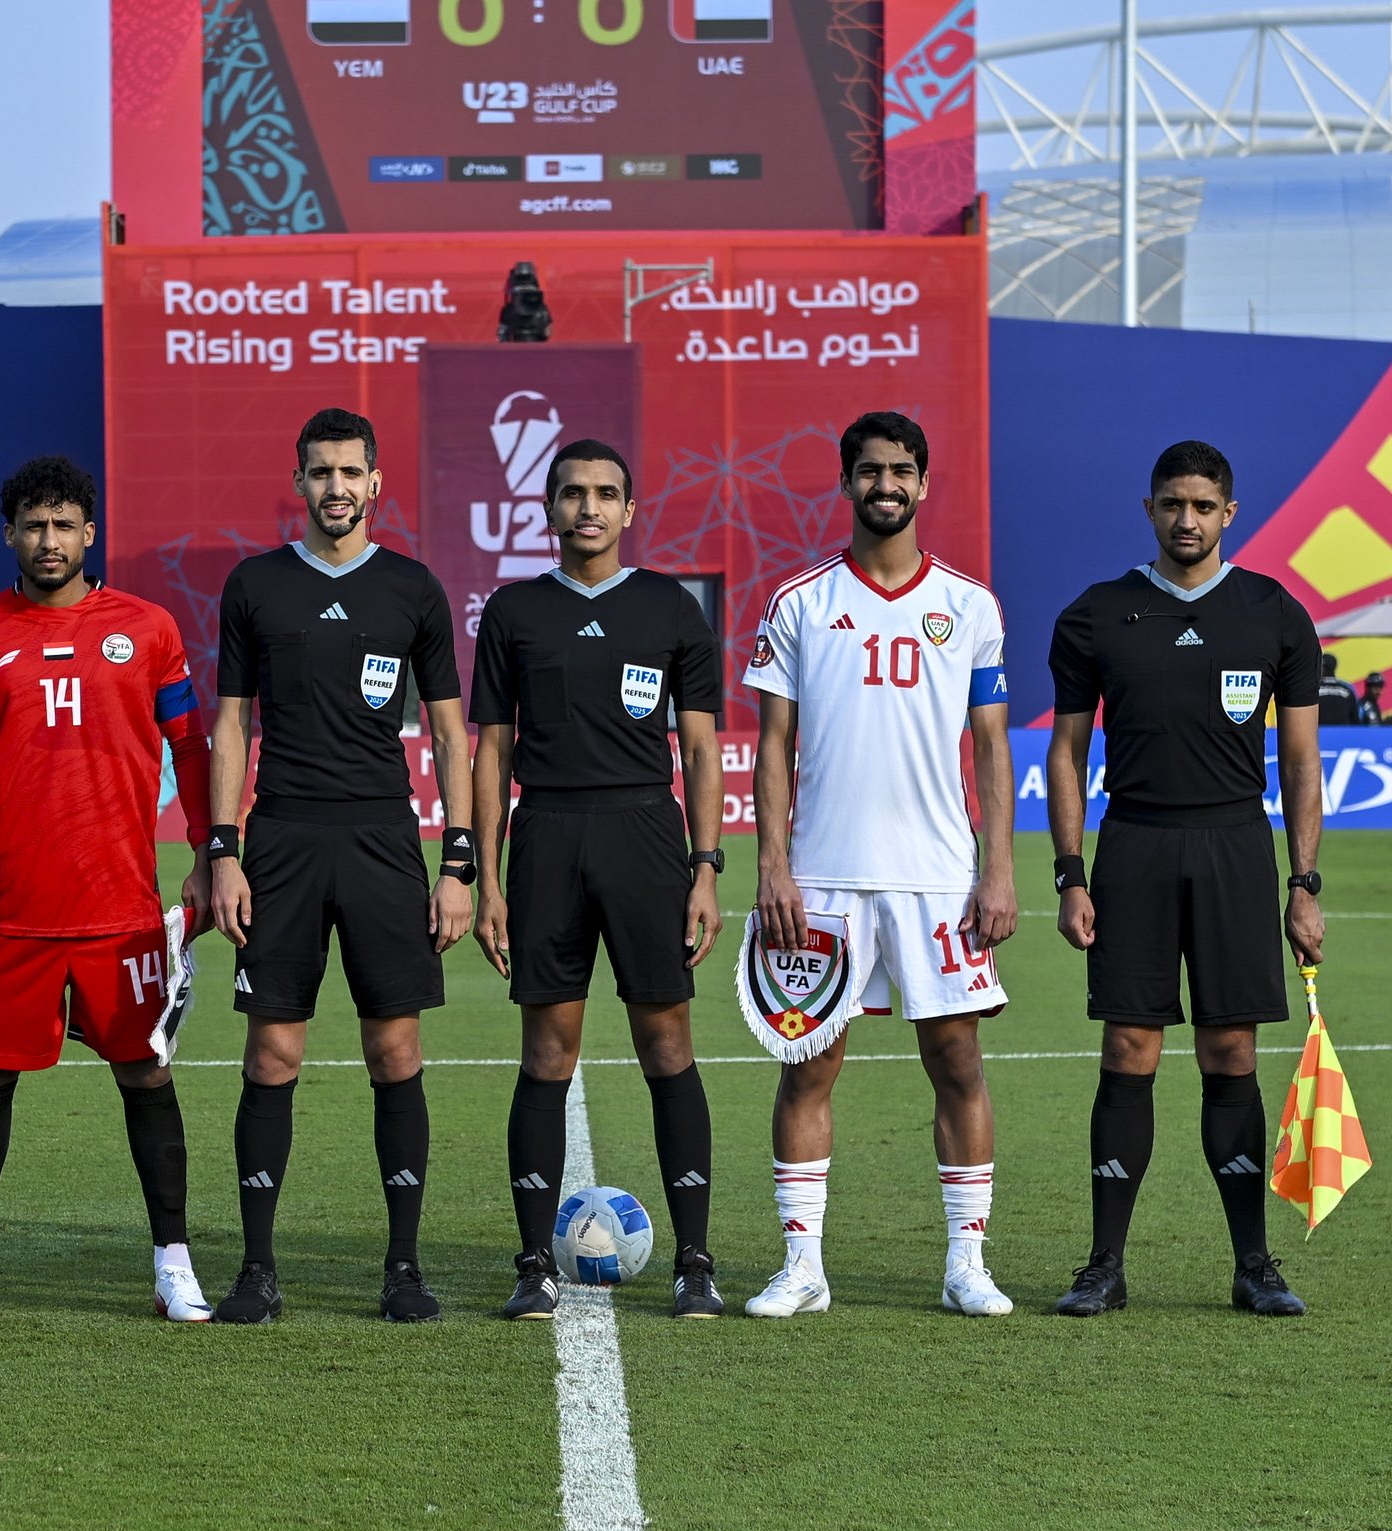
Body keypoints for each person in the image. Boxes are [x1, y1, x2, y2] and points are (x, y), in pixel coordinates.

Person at [0, 455, 215, 1325]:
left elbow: (192, 748)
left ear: (89, 533)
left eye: (64, 524)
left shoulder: (147, 629)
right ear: (10, 534)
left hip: (121, 911)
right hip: (9, 911)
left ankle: (174, 1266)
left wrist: (209, 853)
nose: (49, 540)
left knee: (147, 1077)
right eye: (33, 525)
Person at [743, 411, 1019, 1320]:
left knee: (958, 1062)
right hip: (822, 873)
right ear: (846, 482)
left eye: (902, 470)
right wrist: (772, 867)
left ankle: (965, 1265)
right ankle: (803, 1266)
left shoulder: (972, 607)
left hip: (938, 876)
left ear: (924, 484)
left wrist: (998, 870)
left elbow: (989, 750)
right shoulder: (799, 603)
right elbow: (771, 746)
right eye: (870, 471)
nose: (886, 485)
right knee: (808, 1066)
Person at [1046, 439, 1323, 1319]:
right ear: (1149, 509)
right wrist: (1070, 873)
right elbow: (1065, 752)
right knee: (1129, 1049)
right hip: (1134, 848)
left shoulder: (1274, 614)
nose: (1187, 519)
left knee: (1230, 1051)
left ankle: (1254, 1266)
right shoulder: (1098, 615)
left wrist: (1303, 881)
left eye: (1203, 506)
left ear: (1228, 513)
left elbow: (1304, 763)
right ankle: (1104, 1266)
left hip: (1237, 848)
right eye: (1172, 504)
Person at [208, 408, 473, 1324]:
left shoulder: (414, 589)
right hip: (280, 838)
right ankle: (256, 1269)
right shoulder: (254, 586)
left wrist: (460, 865)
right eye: (320, 472)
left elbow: (448, 732)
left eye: (350, 472)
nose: (335, 488)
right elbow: (233, 725)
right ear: (299, 481)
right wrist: (223, 849)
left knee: (393, 1048)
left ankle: (402, 1267)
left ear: (376, 483)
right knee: (274, 1050)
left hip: (380, 841)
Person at [471, 438, 727, 1321]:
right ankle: (534, 1262)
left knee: (668, 1044)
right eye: (572, 493)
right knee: (548, 1051)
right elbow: (493, 751)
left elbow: (698, 748)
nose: (589, 507)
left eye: (605, 493)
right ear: (548, 509)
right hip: (546, 836)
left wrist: (705, 864)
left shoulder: (670, 608)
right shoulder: (512, 613)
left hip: (646, 835)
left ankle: (696, 1261)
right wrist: (489, 880)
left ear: (629, 509)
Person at [1314, 653, 1359, 726]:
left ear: (1322, 668)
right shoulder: (1347, 689)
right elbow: (1356, 719)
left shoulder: (1314, 689)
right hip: (1343, 735)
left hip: (1319, 734)